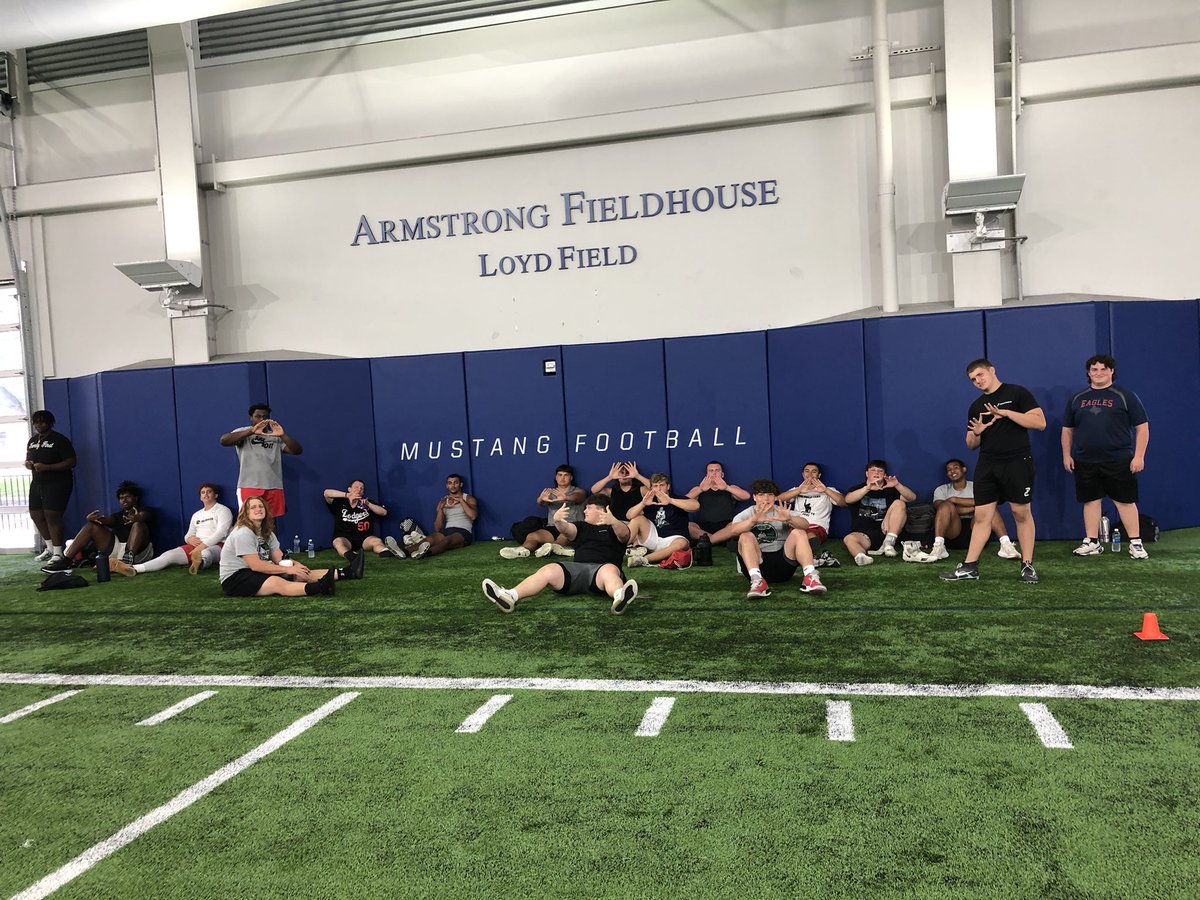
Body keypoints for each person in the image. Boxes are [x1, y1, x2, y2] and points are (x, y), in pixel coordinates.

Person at [941, 358, 1046, 583]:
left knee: (1021, 513)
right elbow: (970, 443)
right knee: (982, 516)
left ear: (992, 370)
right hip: (988, 463)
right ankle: (970, 566)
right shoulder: (976, 405)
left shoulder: (1017, 393)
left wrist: (1007, 413)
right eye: (972, 379)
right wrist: (977, 432)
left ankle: (1027, 565)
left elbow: (1040, 423)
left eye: (980, 375)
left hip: (1017, 461)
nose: (977, 381)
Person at [483, 494, 638, 615]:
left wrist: (614, 521)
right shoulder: (581, 526)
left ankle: (619, 596)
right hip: (576, 570)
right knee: (549, 569)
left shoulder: (616, 528)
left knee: (609, 570)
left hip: (601, 573)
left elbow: (625, 535)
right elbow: (567, 530)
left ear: (602, 510)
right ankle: (510, 596)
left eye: (588, 508)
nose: (584, 511)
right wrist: (558, 521)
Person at [1061, 353, 1150, 559]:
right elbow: (1067, 429)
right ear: (1088, 373)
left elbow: (1142, 428)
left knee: (1125, 501)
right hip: (1084, 460)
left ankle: (1136, 543)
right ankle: (1092, 541)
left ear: (1111, 371)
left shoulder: (1125, 396)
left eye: (1103, 369)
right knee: (1090, 501)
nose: (1099, 373)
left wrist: (1139, 456)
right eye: (1094, 369)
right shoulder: (1077, 398)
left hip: (1119, 459)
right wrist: (1067, 455)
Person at [711, 479, 827, 599]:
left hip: (783, 565)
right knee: (745, 535)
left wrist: (789, 519)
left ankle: (810, 577)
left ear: (775, 497)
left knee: (799, 532)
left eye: (770, 495)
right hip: (757, 564)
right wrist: (752, 521)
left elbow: (805, 525)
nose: (766, 499)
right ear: (754, 497)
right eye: (761, 495)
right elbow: (733, 531)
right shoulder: (748, 513)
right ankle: (757, 582)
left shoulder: (782, 511)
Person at [218, 496, 341, 597]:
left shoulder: (267, 532)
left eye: (261, 506)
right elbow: (255, 565)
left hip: (252, 572)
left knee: (299, 573)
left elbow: (280, 558)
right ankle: (321, 587)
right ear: (246, 513)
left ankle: (347, 572)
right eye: (253, 507)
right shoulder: (243, 533)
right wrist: (288, 569)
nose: (258, 509)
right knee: (277, 582)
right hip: (235, 578)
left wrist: (296, 565)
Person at [112, 483, 233, 576]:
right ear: (200, 497)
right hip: (195, 546)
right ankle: (133, 568)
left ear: (215, 495)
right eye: (203, 492)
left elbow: (222, 532)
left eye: (209, 492)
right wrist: (190, 539)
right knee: (168, 556)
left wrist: (202, 546)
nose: (205, 494)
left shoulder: (223, 510)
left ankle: (198, 563)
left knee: (206, 553)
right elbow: (188, 534)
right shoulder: (197, 514)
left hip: (218, 546)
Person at [42, 480, 154, 573]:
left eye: (127, 497)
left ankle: (127, 560)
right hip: (118, 551)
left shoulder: (145, 510)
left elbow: (143, 517)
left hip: (138, 553)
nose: (124, 500)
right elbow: (106, 520)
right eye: (121, 498)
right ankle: (65, 561)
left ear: (136, 498)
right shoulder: (118, 515)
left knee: (138, 525)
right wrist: (94, 519)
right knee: (92, 525)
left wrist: (136, 518)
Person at [918, 459, 1018, 562]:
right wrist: (974, 507)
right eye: (949, 470)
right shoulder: (941, 490)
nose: (952, 471)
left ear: (964, 469)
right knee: (946, 506)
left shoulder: (977, 487)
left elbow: (989, 502)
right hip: (953, 534)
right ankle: (939, 546)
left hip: (977, 531)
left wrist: (954, 500)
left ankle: (1006, 545)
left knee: (989, 508)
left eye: (955, 468)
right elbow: (940, 507)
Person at [219, 403, 302, 517]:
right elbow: (224, 440)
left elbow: (297, 451)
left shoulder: (275, 435)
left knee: (271, 522)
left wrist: (283, 435)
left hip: (274, 486)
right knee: (250, 520)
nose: (262, 419)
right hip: (250, 485)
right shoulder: (244, 432)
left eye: (265, 417)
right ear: (251, 418)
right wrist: (252, 431)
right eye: (258, 416)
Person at [500, 464, 586, 559]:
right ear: (556, 477)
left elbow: (578, 497)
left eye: (566, 475)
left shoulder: (579, 491)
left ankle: (552, 547)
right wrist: (541, 498)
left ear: (571, 478)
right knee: (533, 536)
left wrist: (566, 497)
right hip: (553, 526)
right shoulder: (550, 492)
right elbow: (540, 502)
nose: (563, 478)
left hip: (571, 526)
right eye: (560, 475)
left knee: (563, 536)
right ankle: (522, 550)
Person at [25, 409, 76, 565]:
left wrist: (48, 467)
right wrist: (28, 464)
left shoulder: (60, 440)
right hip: (38, 482)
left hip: (58, 482)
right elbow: (29, 458)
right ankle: (49, 548)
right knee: (36, 514)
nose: (39, 425)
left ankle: (58, 552)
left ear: (50, 423)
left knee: (52, 516)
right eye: (36, 422)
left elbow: (71, 462)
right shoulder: (32, 441)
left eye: (42, 421)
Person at [842, 460, 915, 566]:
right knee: (849, 538)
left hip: (886, 530)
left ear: (885, 475)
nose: (876, 473)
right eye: (873, 470)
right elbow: (848, 500)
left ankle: (889, 543)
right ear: (867, 473)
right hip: (864, 534)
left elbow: (911, 498)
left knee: (899, 503)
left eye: (880, 471)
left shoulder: (890, 489)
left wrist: (897, 485)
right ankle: (861, 557)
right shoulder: (858, 489)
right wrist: (867, 488)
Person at [626, 472, 700, 568]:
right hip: (654, 538)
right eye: (655, 486)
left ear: (668, 486)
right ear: (652, 488)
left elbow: (696, 506)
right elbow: (629, 515)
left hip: (674, 539)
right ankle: (617, 550)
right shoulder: (650, 500)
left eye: (662, 485)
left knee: (682, 544)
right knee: (637, 519)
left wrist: (670, 501)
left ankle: (642, 559)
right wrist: (643, 503)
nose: (659, 489)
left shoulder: (676, 498)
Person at [779, 461, 845, 568]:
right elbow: (780, 498)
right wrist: (799, 490)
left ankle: (809, 559)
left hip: (817, 527)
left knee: (808, 535)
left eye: (814, 472)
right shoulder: (797, 489)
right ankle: (817, 559)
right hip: (797, 526)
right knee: (797, 534)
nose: (810, 474)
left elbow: (843, 502)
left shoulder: (829, 490)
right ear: (803, 474)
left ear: (819, 475)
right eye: (807, 471)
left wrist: (825, 490)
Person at [323, 479, 397, 572]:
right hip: (344, 537)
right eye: (356, 487)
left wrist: (368, 504)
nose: (359, 489)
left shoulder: (367, 502)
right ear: (349, 489)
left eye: (362, 488)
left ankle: (386, 552)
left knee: (376, 541)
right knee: (338, 542)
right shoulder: (340, 502)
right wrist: (347, 495)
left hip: (364, 538)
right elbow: (326, 493)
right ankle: (350, 556)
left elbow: (383, 512)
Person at [407, 473, 478, 559]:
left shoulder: (468, 498)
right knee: (430, 539)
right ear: (447, 486)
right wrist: (440, 509)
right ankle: (405, 552)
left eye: (455, 482)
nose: (453, 485)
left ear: (461, 484)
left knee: (447, 540)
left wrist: (461, 500)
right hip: (447, 530)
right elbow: (437, 528)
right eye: (450, 483)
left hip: (463, 531)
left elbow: (473, 516)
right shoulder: (443, 501)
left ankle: (426, 553)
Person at [685, 460, 750, 544]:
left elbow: (746, 496)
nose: (714, 473)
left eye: (717, 470)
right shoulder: (698, 489)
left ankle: (709, 541)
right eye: (711, 471)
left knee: (737, 524)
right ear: (707, 475)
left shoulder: (730, 487)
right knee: (688, 526)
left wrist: (726, 487)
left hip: (726, 526)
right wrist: (700, 489)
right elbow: (684, 502)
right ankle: (718, 539)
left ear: (722, 474)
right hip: (703, 527)